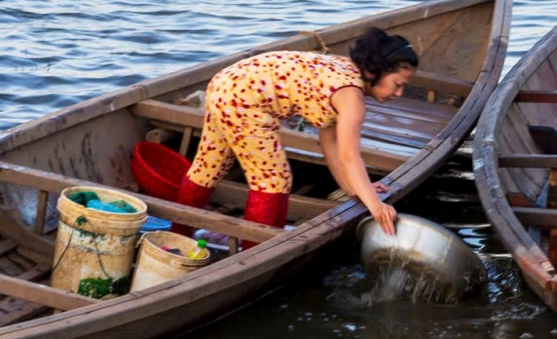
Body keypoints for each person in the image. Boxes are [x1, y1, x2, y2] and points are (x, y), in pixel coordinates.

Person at [170, 28, 418, 235]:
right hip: (246, 101)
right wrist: (376, 206)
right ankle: (254, 254)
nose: (399, 94)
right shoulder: (352, 98)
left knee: (208, 168)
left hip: (224, 83)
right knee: (274, 181)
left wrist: (355, 190)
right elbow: (350, 156)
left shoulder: (345, 71)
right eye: (398, 85)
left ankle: (177, 237)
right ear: (375, 72)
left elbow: (330, 144)